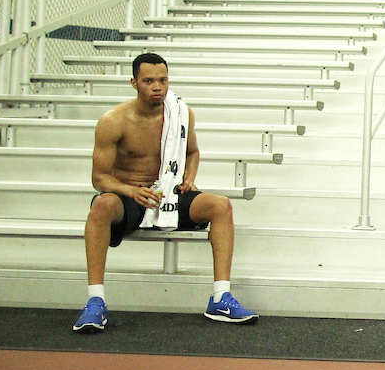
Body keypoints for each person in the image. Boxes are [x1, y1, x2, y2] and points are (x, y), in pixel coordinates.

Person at [73, 53, 257, 332]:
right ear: (134, 83)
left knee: (221, 206)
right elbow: (99, 178)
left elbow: (193, 152)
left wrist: (189, 179)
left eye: (162, 80)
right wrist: (131, 191)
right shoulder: (114, 121)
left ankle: (221, 298)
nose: (157, 87)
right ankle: (95, 303)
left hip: (169, 193)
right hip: (129, 197)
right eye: (149, 81)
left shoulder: (181, 113)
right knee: (100, 205)